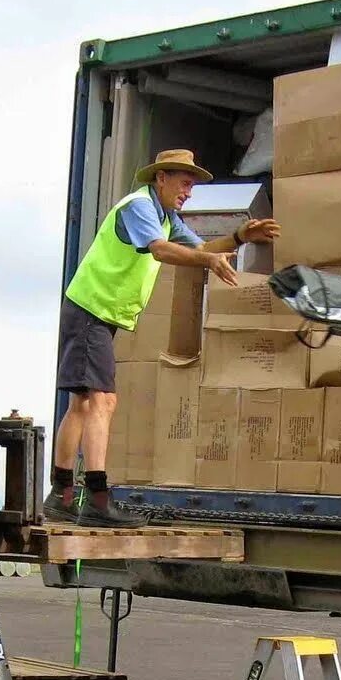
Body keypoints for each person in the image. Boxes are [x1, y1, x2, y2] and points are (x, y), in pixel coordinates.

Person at [43, 148, 281, 527]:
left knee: (84, 404)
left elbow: (202, 248)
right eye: (185, 184)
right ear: (162, 178)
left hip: (97, 313)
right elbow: (160, 252)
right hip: (91, 309)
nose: (189, 192)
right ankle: (97, 500)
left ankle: (62, 494)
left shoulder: (166, 217)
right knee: (102, 401)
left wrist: (239, 236)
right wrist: (208, 262)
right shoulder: (140, 208)